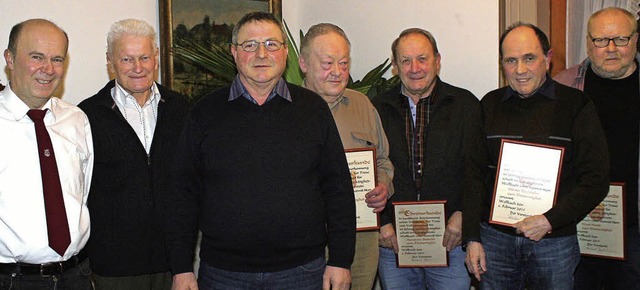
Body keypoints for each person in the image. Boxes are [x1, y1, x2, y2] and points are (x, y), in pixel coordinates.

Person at [166, 12, 356, 290]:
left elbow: (337, 188)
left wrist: (341, 259)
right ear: (234, 52)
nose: (261, 54)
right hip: (223, 273)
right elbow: (183, 194)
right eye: (250, 45)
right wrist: (181, 268)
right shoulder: (204, 113)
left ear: (285, 52)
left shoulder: (313, 110)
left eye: (271, 44)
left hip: (302, 271)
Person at [463, 22, 610, 290]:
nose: (520, 70)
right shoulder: (489, 105)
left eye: (529, 58)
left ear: (548, 59)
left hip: (554, 242)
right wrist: (472, 238)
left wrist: (549, 220)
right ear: (502, 64)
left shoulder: (576, 105)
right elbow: (473, 176)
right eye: (511, 60)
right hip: (495, 241)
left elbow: (596, 179)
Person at [78, 19, 190, 290]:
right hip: (112, 270)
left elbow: (188, 188)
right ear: (110, 61)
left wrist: (183, 264)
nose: (138, 67)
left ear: (156, 58)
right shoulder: (86, 115)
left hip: (172, 265)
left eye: (144, 57)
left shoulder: (182, 109)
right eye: (127, 59)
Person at [371, 28, 484, 290]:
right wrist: (383, 222)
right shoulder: (376, 108)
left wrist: (463, 215)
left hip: (450, 240)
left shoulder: (465, 105)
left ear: (437, 60)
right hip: (394, 242)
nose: (415, 68)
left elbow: (477, 171)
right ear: (395, 67)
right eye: (405, 61)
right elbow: (369, 169)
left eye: (422, 59)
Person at [298, 23, 393, 290]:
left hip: (360, 237)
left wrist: (384, 185)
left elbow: (383, 160)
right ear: (303, 64)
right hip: (307, 241)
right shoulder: (287, 109)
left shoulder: (362, 104)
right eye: (328, 63)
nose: (338, 72)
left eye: (343, 62)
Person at [0, 19, 94, 289]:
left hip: (77, 275)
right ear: (10, 58)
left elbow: (82, 193)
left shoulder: (76, 119)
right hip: (13, 281)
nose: (48, 69)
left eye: (57, 59)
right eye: (36, 57)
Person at [554, 7, 640, 290]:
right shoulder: (562, 86)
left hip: (634, 226)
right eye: (601, 40)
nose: (611, 48)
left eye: (621, 39)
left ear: (636, 39)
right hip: (577, 222)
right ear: (589, 43)